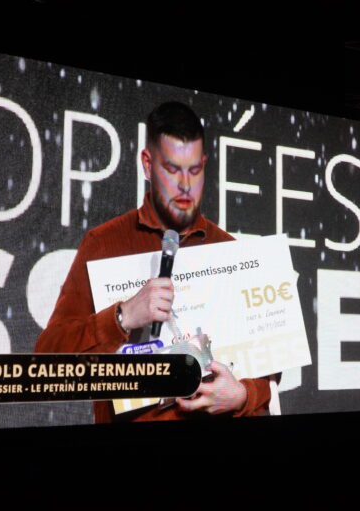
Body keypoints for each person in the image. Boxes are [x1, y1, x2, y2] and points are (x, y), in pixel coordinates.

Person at [35, 101, 271, 423]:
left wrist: (243, 396)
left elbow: (267, 375)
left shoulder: (229, 251)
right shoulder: (104, 244)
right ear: (147, 165)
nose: (185, 185)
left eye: (194, 170)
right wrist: (122, 317)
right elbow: (47, 362)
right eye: (172, 169)